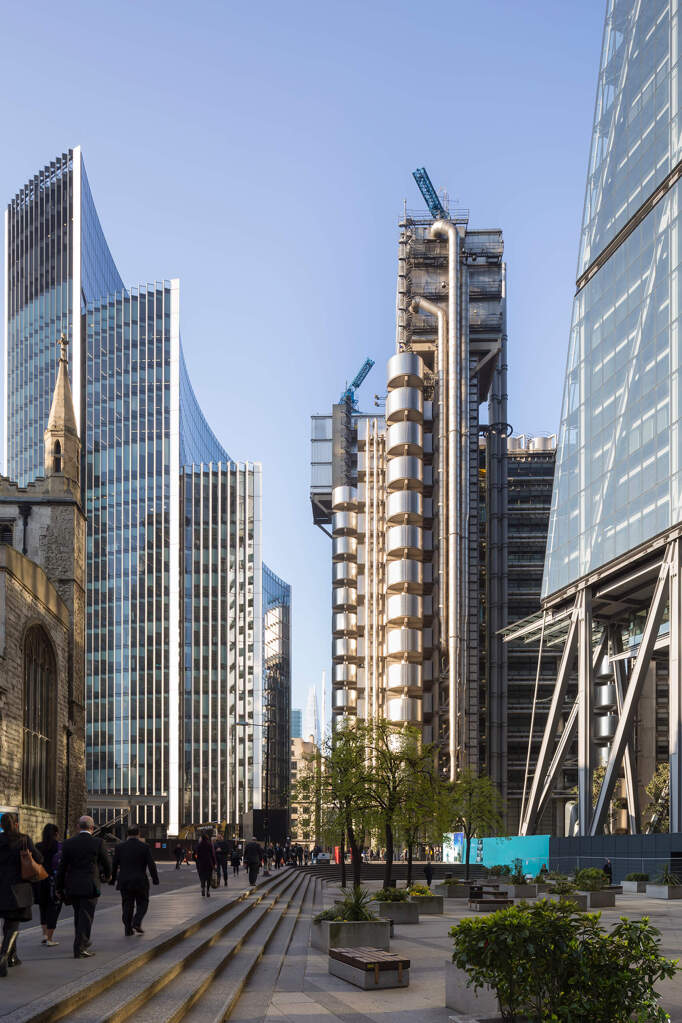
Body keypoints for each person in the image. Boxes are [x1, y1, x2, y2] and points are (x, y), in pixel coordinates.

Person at [56, 814, 111, 959]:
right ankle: (80, 947)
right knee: (86, 917)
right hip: (90, 885)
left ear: (78, 827)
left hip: (72, 885)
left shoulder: (68, 843)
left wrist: (58, 887)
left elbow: (62, 868)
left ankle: (82, 942)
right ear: (92, 828)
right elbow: (107, 863)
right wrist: (108, 876)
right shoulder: (98, 843)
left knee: (78, 915)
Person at [0, 812, 43, 976]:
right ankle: (3, 956)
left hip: (1, 886)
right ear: (16, 824)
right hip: (18, 887)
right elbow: (39, 859)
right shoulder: (23, 840)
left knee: (7, 922)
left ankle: (12, 956)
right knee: (14, 924)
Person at [110, 826, 159, 935]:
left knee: (127, 904)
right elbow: (151, 865)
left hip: (125, 881)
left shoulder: (119, 847)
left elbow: (114, 865)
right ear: (138, 834)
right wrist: (155, 879)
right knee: (143, 902)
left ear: (127, 834)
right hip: (140, 880)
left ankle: (128, 929)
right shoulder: (144, 847)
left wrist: (113, 879)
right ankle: (137, 921)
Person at [35, 823, 62, 947]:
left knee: (43, 908)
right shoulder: (59, 846)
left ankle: (45, 935)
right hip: (53, 881)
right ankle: (50, 938)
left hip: (40, 881)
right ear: (56, 834)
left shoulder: (38, 846)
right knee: (53, 909)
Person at [194, 832, 217, 897]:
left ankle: (203, 888)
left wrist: (198, 860)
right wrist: (214, 863)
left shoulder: (199, 845)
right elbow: (213, 854)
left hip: (201, 863)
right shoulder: (209, 844)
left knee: (202, 877)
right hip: (209, 863)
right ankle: (208, 891)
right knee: (208, 877)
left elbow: (197, 855)